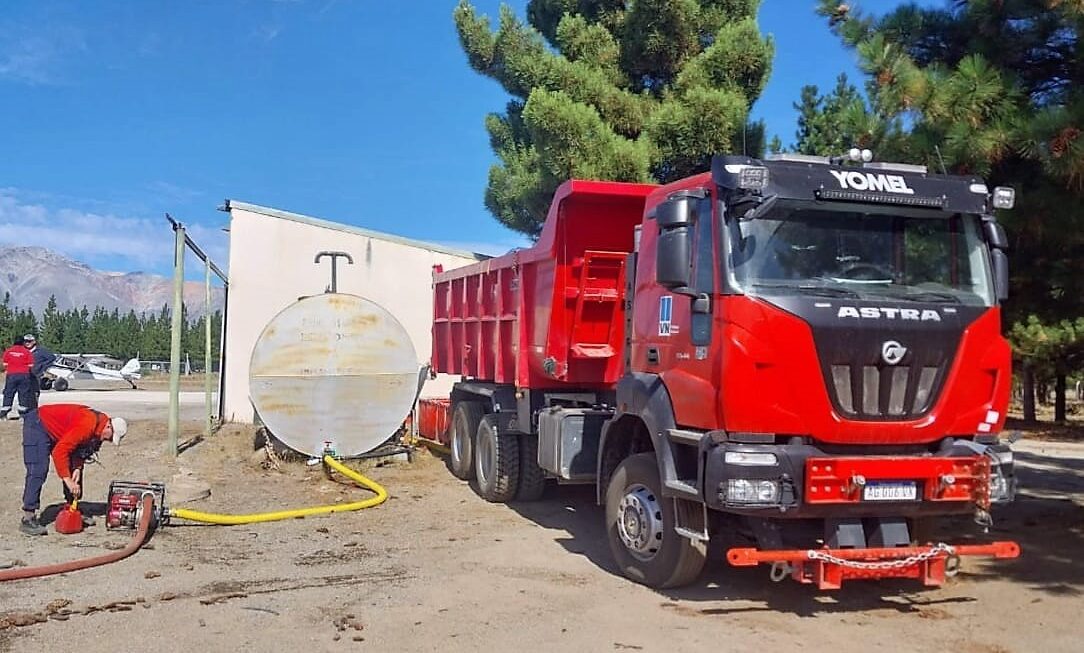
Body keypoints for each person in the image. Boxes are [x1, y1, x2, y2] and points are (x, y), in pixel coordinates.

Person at [20, 404, 128, 536]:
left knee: (73, 471)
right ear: (108, 427)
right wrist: (67, 480)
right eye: (110, 437)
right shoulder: (88, 425)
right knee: (38, 469)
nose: (109, 441)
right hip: (38, 424)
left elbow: (79, 449)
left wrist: (77, 467)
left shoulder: (98, 430)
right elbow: (60, 451)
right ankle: (28, 517)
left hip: (58, 431)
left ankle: (72, 509)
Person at [2, 336, 35, 419]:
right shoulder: (27, 352)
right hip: (24, 375)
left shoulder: (8, 351)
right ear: (23, 342)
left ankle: (4, 413)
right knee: (23, 394)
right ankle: (23, 415)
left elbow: (5, 364)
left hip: (11, 375)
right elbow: (31, 365)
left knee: (8, 393)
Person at [23, 334, 56, 401]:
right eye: (25, 341)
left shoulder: (41, 350)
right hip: (24, 375)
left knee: (34, 394)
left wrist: (42, 366)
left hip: (36, 375)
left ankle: (34, 406)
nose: (27, 343)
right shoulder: (23, 350)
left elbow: (52, 357)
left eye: (29, 341)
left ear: (34, 341)